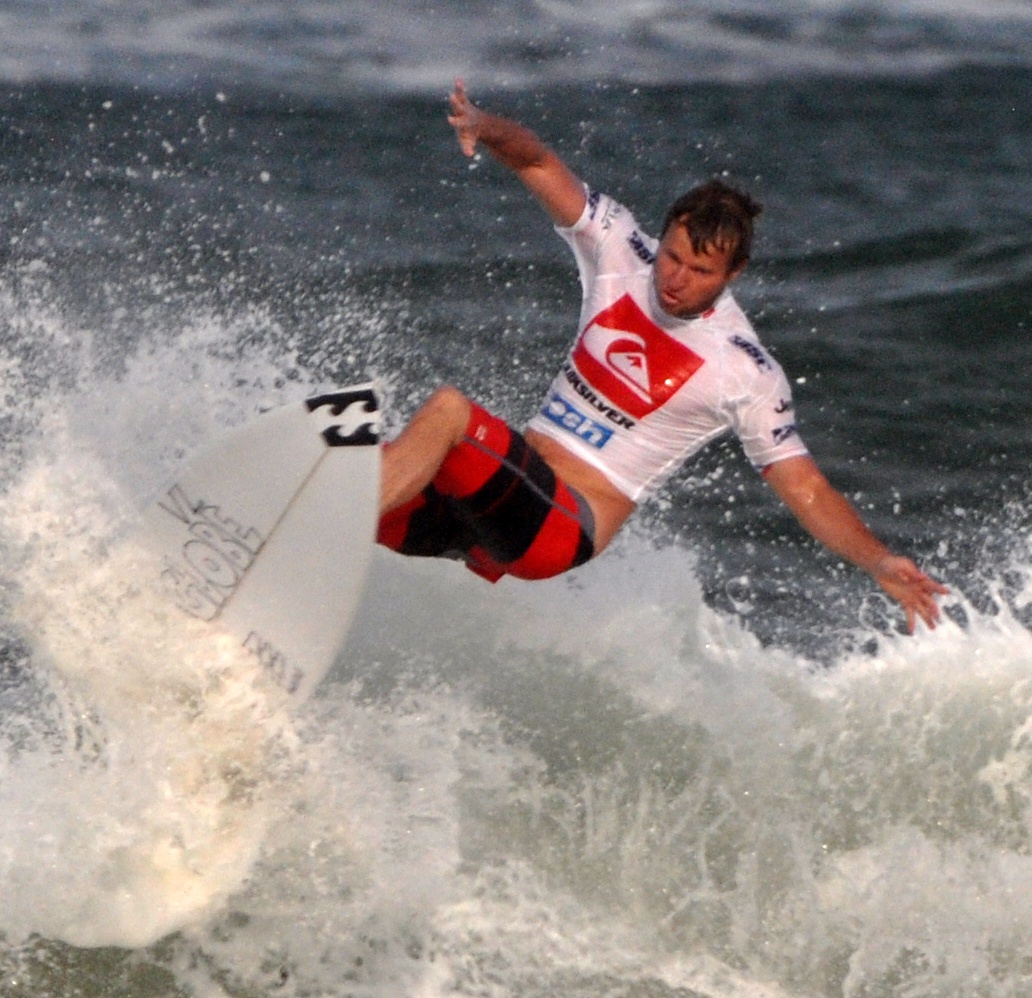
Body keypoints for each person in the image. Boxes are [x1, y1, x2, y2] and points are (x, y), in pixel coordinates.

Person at [376, 81, 949, 631]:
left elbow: (807, 489)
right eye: (672, 257)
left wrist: (877, 560)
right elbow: (538, 163)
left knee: (450, 413)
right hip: (494, 512)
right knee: (374, 462)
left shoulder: (744, 369)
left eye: (700, 271)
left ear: (734, 273)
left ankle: (349, 507)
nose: (676, 279)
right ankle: (336, 515)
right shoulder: (619, 249)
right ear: (664, 235)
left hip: (559, 531)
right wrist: (485, 126)